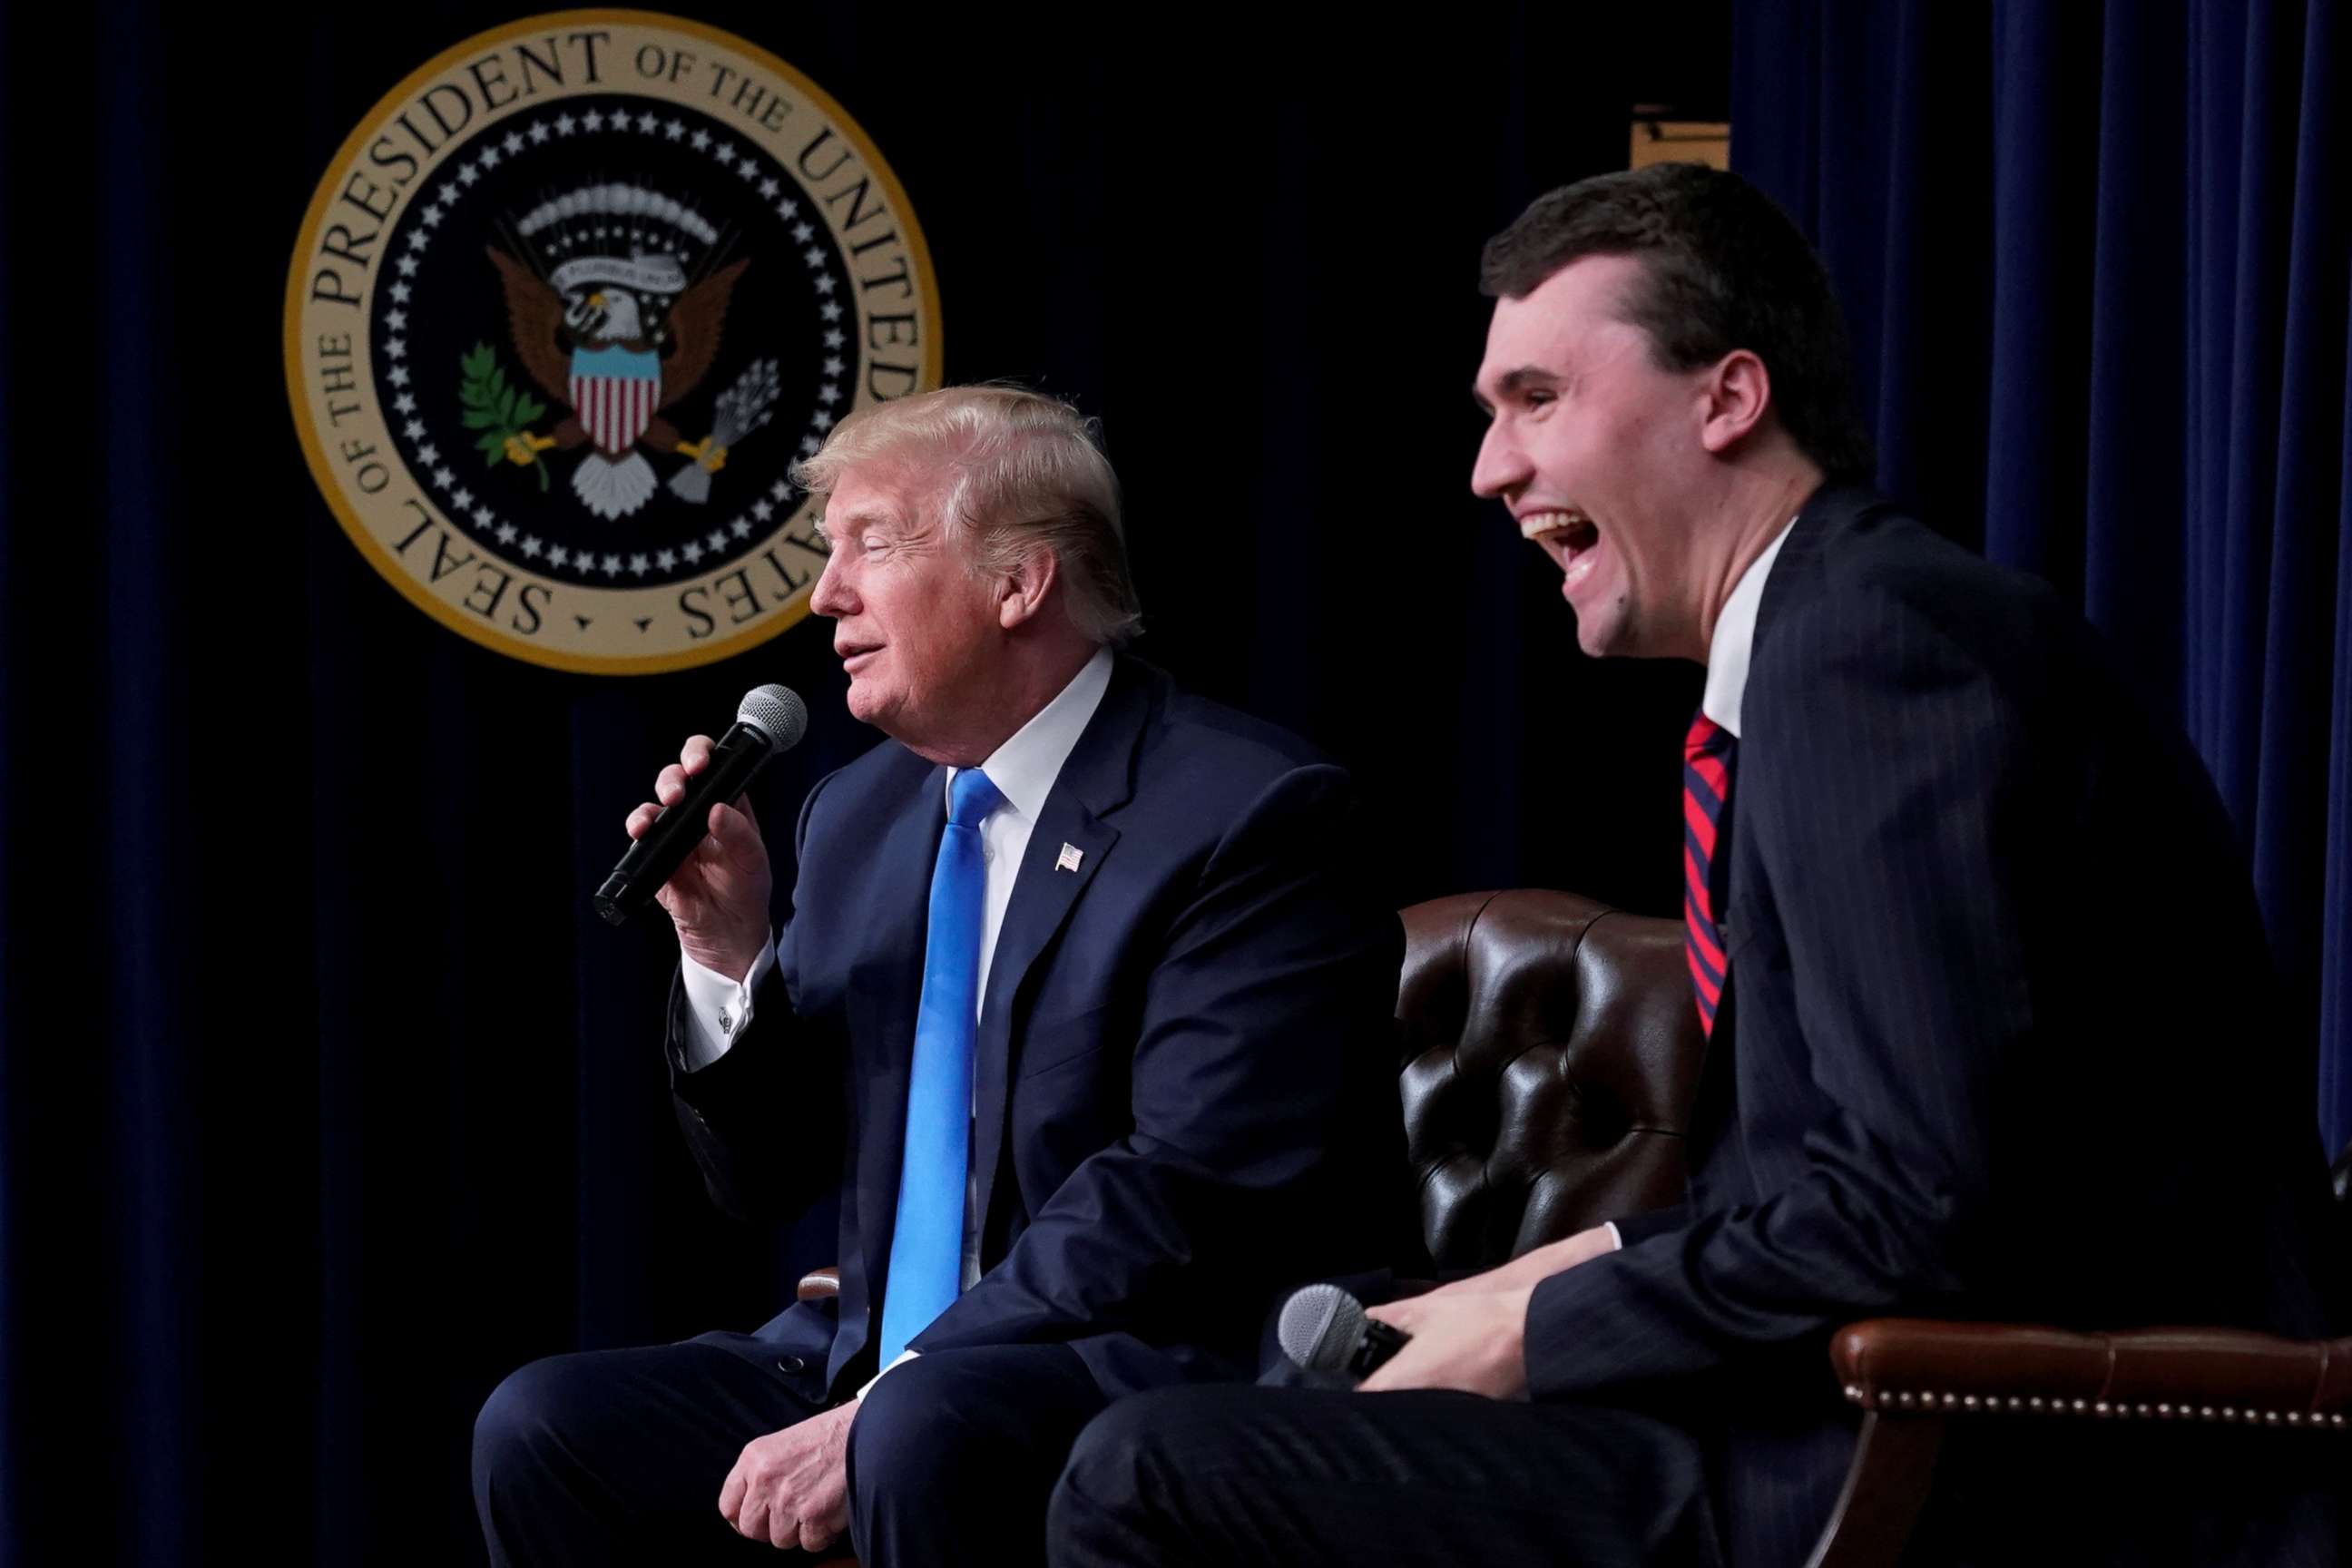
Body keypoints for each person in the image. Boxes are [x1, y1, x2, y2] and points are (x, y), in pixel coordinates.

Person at [1046, 164, 2346, 1567]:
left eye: (1537, 400)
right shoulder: (1827, 640)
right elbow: (1846, 1175)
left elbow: (1914, 1205)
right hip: (1845, 1413)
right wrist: (1539, 1280)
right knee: (1303, 1359)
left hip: (1982, 1469)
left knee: (1148, 1471)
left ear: (1727, 399)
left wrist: (1534, 1332)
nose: (1490, 468)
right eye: (1492, 414)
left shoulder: (1873, 648)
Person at [472, 385, 1403, 1566]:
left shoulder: (1245, 812)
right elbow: (773, 1177)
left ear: (1020, 583)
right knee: (547, 1427)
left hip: (1150, 1351)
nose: (825, 596)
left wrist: (903, 1383)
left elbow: (1185, 1187)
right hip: (883, 1360)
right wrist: (726, 953)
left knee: (917, 1434)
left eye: (874, 543)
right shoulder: (858, 816)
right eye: (829, 551)